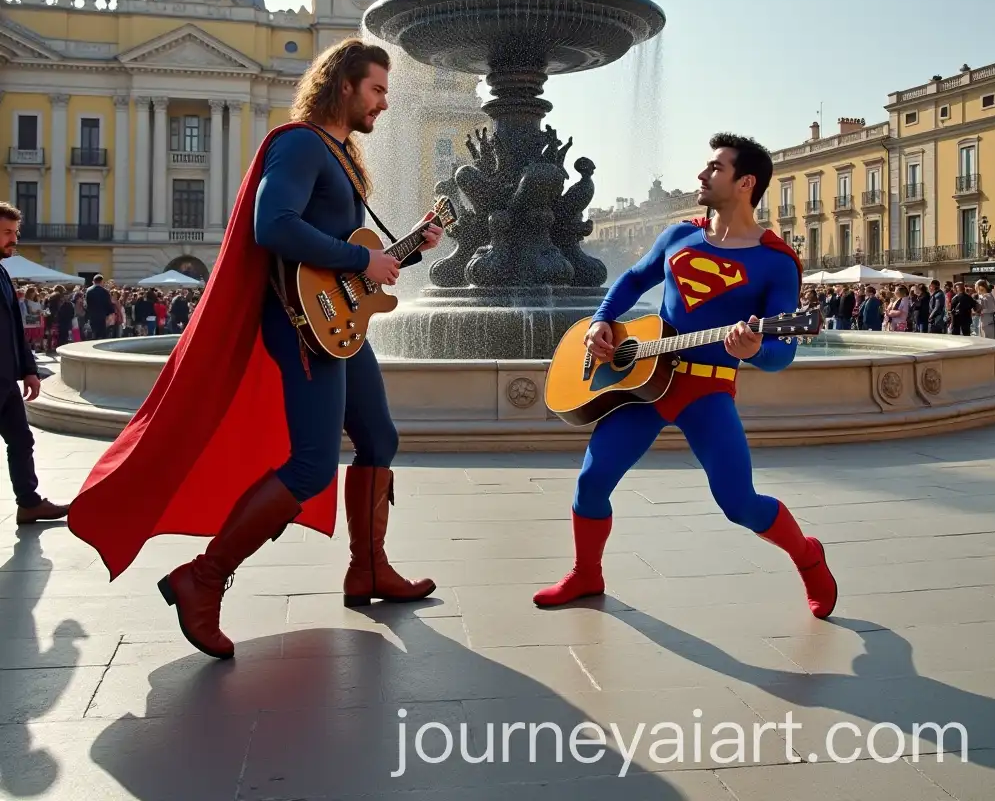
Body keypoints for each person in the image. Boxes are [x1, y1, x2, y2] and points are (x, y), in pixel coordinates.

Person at [68, 38, 443, 660]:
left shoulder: (340, 156)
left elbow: (344, 256)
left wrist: (402, 251)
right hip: (305, 328)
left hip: (339, 325)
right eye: (376, 89)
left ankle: (369, 569)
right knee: (312, 466)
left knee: (379, 437)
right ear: (344, 85)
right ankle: (203, 576)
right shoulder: (299, 143)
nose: (384, 102)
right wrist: (363, 258)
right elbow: (274, 226)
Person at [533, 134, 838, 620]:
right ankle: (586, 573)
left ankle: (808, 556)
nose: (701, 175)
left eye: (715, 168)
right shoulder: (678, 236)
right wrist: (600, 322)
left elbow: (781, 355)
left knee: (739, 504)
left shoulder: (776, 261)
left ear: (745, 183)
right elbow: (633, 280)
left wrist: (757, 348)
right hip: (645, 381)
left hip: (707, 390)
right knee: (591, 482)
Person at [0, 204, 70, 526]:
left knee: (21, 440)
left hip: (6, 380)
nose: (13, 240)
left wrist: (29, 369)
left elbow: (15, 325)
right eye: (6, 233)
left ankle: (28, 502)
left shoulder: (2, 272)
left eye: (14, 233)